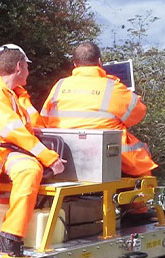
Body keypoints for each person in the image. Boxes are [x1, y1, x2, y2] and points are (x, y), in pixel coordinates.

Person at [0, 44, 65, 256]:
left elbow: (29, 128)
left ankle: (11, 237)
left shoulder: (13, 95)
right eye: (27, 66)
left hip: (9, 151)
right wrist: (49, 158)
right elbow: (12, 130)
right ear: (19, 66)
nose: (29, 71)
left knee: (30, 171)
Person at [40, 41, 157, 177]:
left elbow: (44, 118)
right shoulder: (112, 87)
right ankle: (143, 196)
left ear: (75, 64)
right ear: (100, 62)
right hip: (104, 154)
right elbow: (139, 113)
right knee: (142, 163)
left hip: (62, 151)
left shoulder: (60, 85)